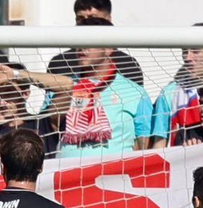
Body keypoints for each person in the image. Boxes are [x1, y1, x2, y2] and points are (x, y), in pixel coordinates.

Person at [52, 24, 152, 158]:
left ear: (108, 48)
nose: (82, 47)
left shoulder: (136, 93)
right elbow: (51, 129)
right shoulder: (63, 88)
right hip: (66, 174)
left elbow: (144, 148)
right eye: (78, 41)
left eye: (89, 41)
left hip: (113, 175)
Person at [45, 0, 145, 86]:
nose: (86, 23)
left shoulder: (127, 64)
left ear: (108, 19)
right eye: (81, 19)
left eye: (92, 17)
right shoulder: (60, 63)